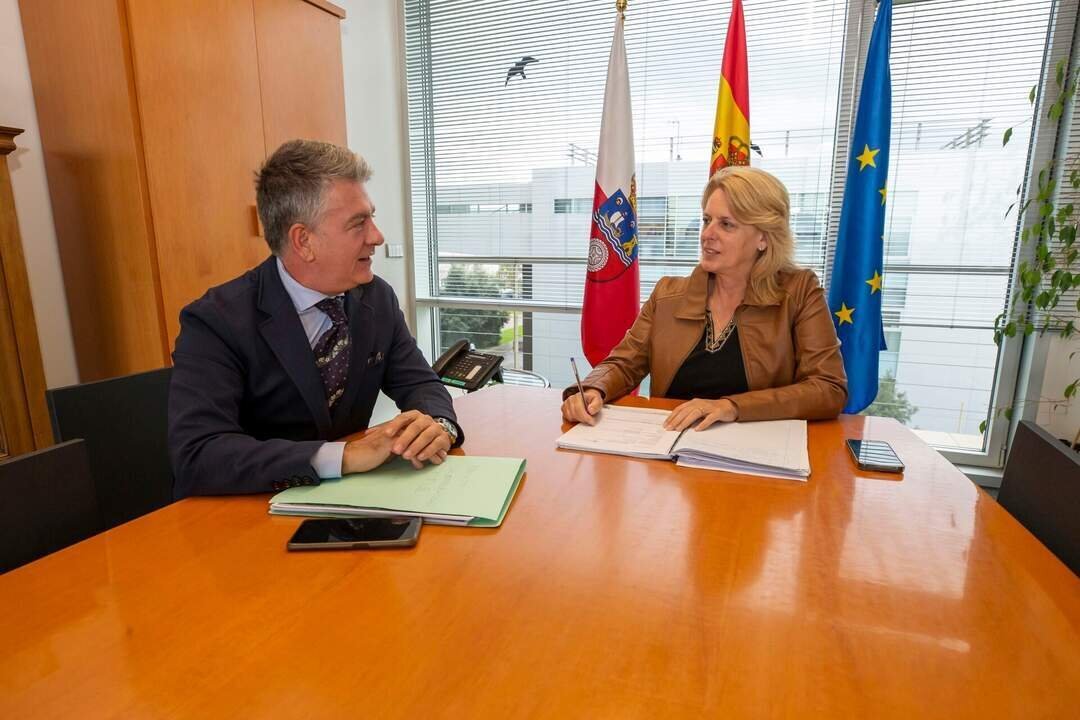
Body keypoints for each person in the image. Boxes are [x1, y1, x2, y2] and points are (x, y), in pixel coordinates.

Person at [169, 139, 462, 497]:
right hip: (251, 509)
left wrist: (438, 425)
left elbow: (420, 383)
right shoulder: (215, 321)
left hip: (351, 503)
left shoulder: (376, 298)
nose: (377, 236)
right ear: (303, 241)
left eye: (372, 217)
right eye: (358, 223)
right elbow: (198, 455)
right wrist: (344, 456)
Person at [562, 166, 847, 431]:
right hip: (670, 449)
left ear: (764, 238)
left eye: (727, 224)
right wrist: (593, 389)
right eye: (707, 220)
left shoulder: (799, 292)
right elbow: (623, 364)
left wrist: (732, 407)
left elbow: (828, 388)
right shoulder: (667, 295)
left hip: (757, 454)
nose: (707, 234)